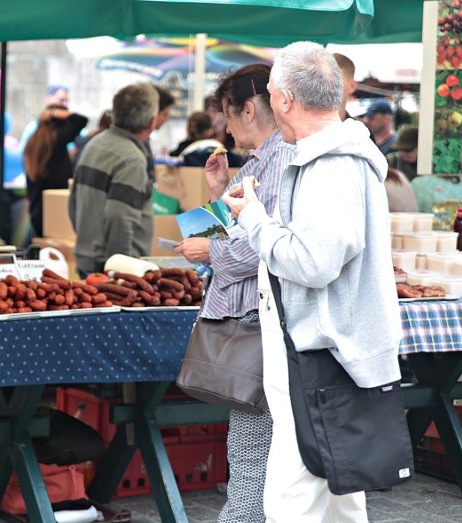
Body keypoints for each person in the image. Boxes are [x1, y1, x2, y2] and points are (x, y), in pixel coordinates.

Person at [221, 41, 402, 522]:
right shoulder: (330, 156)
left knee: (291, 499)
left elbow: (313, 262)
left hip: (322, 354)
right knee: (338, 493)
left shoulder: (331, 164)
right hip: (328, 351)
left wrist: (255, 220)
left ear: (282, 100)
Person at [174, 63, 294, 523]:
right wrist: (220, 189)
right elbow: (248, 230)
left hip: (259, 323)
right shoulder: (264, 158)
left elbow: (265, 244)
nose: (224, 127)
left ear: (249, 108)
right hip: (253, 321)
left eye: (227, 115)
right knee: (249, 451)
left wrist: (208, 248)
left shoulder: (282, 156)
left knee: (250, 453)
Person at [69, 83, 158, 276]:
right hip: (115, 269)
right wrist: (122, 272)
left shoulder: (94, 144)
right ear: (151, 122)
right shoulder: (131, 158)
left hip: (89, 259)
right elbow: (120, 218)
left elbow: (74, 202)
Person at [23, 105, 88, 238]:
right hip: (55, 211)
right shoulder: (57, 138)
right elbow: (81, 120)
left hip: (37, 210)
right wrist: (54, 113)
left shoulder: (34, 141)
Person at [20, 85, 72, 149]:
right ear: (48, 99)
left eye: (67, 101)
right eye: (61, 100)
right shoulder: (33, 128)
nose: (65, 104)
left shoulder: (73, 129)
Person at [332, 52, 357, 120]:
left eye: (336, 83)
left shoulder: (358, 129)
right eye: (322, 81)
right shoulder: (303, 127)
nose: (328, 88)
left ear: (352, 86)